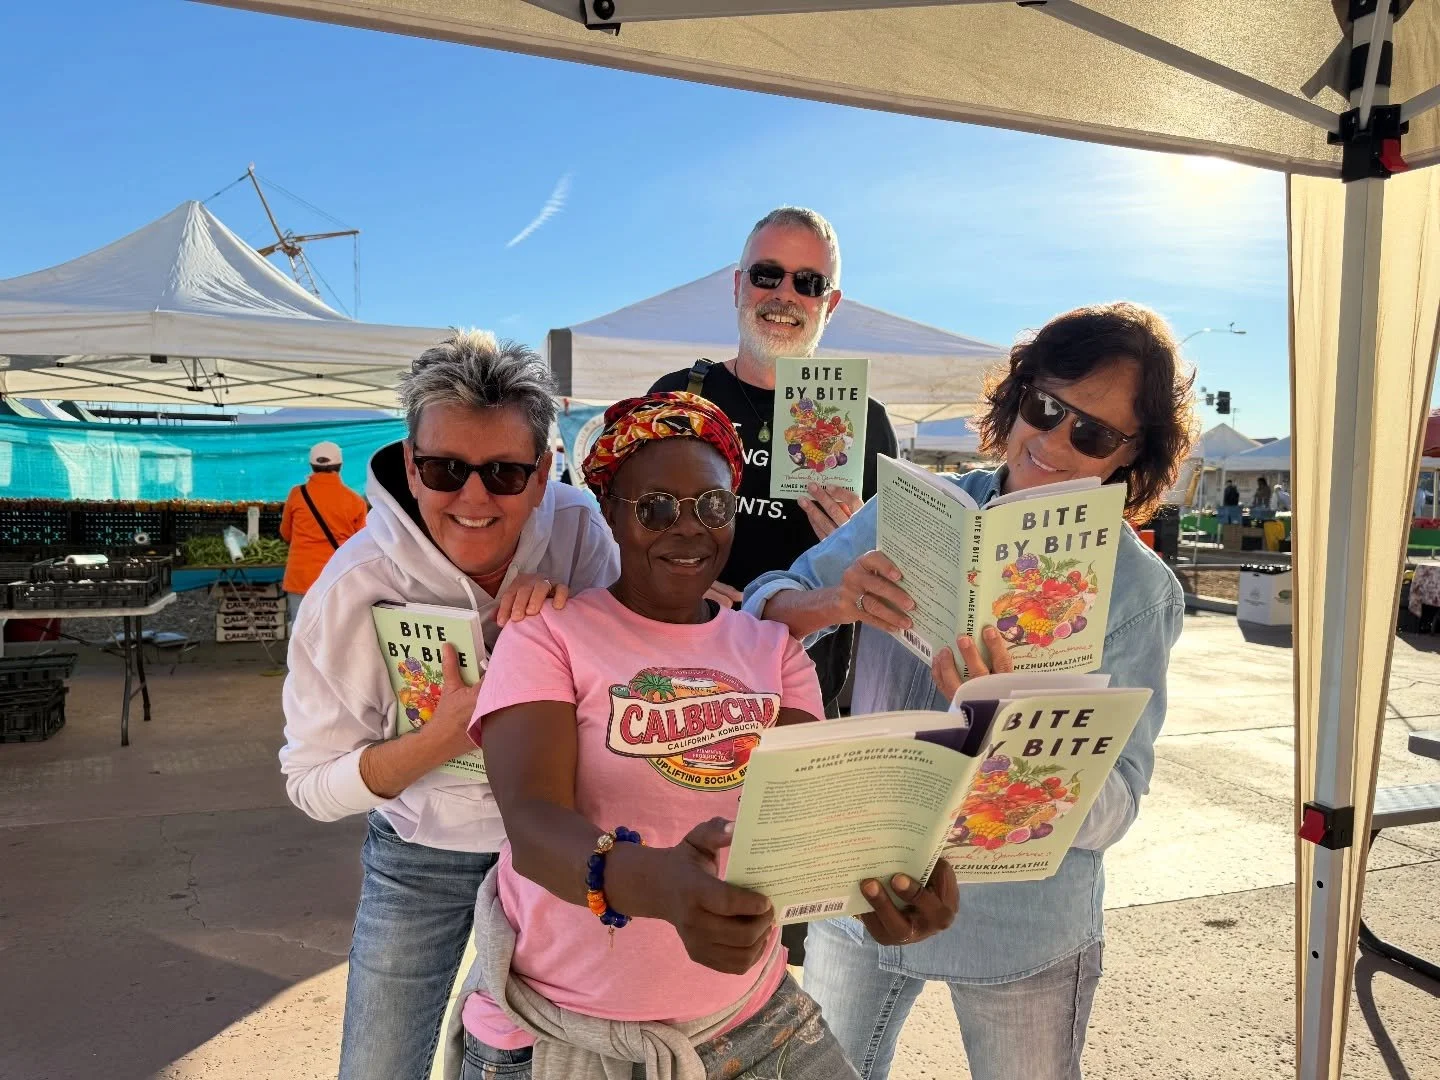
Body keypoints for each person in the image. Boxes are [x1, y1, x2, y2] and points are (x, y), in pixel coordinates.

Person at [449, 392, 957, 1080]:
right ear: (610, 512)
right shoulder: (548, 635)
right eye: (656, 508)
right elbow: (534, 826)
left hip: (747, 1014)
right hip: (564, 1028)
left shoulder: (773, 650)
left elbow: (808, 821)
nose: (689, 529)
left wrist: (883, 884)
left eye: (713, 507)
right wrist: (659, 887)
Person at [745, 302, 1193, 1080]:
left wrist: (1008, 720)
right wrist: (832, 601)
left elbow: (1119, 803)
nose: (1053, 442)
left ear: (1133, 454)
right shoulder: (911, 509)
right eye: (1044, 408)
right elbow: (761, 611)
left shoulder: (1138, 589)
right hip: (867, 884)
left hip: (1020, 926)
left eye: (1092, 434)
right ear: (1016, 398)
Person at [279, 332, 620, 1080]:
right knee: (378, 1065)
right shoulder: (353, 589)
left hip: (556, 844)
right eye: (444, 469)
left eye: (504, 473)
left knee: (534, 1064)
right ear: (410, 465)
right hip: (420, 854)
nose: (473, 497)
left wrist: (580, 620)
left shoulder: (577, 530)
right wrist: (443, 737)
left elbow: (625, 676)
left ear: (543, 474)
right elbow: (309, 784)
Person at [649, 206, 899, 719]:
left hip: (801, 691)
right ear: (738, 285)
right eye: (767, 274)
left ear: (830, 304)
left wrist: (860, 539)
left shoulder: (866, 422)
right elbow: (620, 526)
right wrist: (669, 579)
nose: (785, 294)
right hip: (677, 678)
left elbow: (893, 579)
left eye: (809, 282)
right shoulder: (676, 396)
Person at [279, 440, 367, 626]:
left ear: (312, 465)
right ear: (340, 466)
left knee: (301, 630)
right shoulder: (354, 501)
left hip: (301, 576)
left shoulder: (297, 494)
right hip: (337, 577)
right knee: (335, 631)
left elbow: (286, 534)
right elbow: (361, 544)